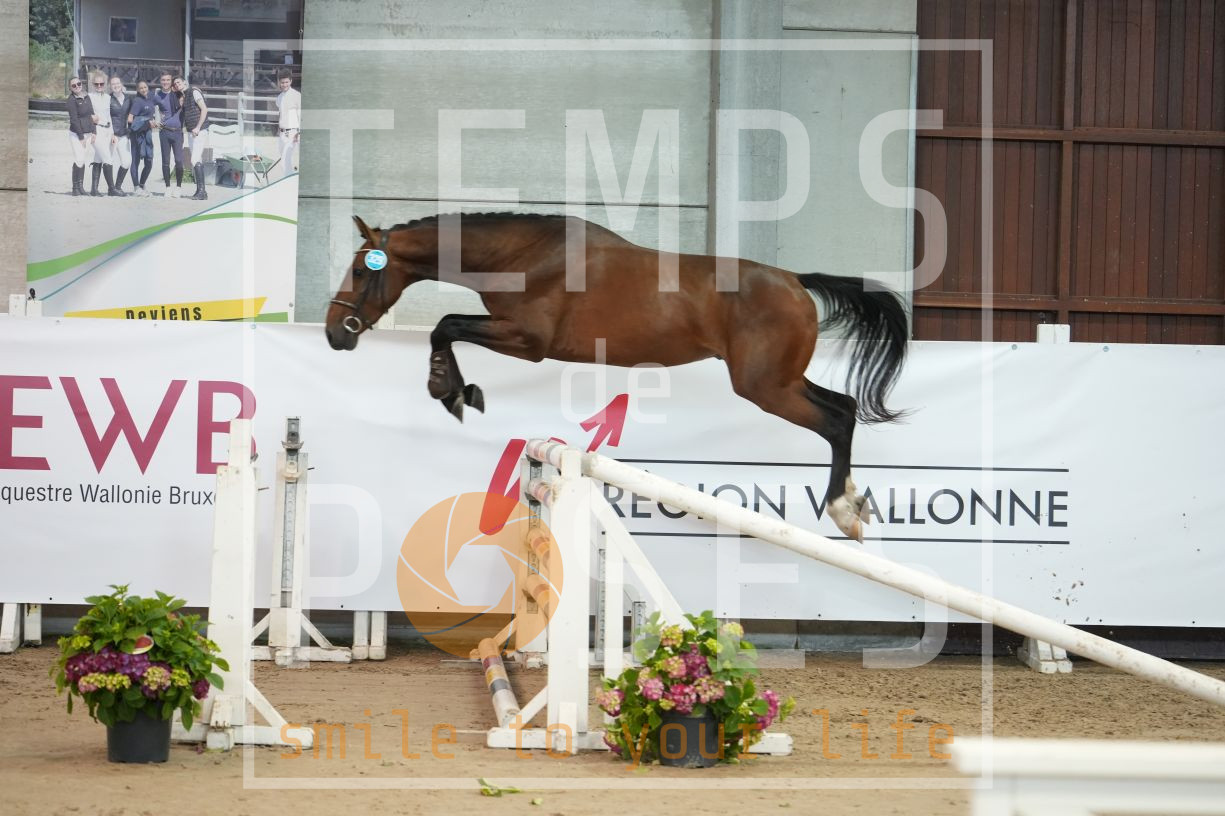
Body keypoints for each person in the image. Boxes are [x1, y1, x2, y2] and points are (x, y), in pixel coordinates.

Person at [173, 75, 210, 201]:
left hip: (199, 130)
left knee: (194, 160)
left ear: (184, 82)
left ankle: (202, 191)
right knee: (197, 159)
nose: (177, 85)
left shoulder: (194, 92)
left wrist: (198, 127)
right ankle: (201, 191)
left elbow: (204, 109)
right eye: (175, 84)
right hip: (191, 131)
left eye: (178, 82)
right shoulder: (183, 96)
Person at [86, 70, 120, 196]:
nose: (99, 86)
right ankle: (112, 189)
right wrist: (91, 129)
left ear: (105, 84)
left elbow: (109, 116)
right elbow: (85, 114)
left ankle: (94, 189)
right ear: (93, 84)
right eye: (96, 84)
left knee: (98, 158)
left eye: (101, 84)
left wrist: (112, 133)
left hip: (107, 130)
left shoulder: (108, 98)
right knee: (107, 158)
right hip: (96, 130)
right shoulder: (89, 97)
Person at [152, 71, 184, 197]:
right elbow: (148, 107)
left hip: (177, 132)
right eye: (163, 80)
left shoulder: (178, 94)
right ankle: (168, 187)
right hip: (164, 132)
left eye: (168, 80)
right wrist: (152, 120)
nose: (165, 82)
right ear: (161, 81)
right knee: (165, 161)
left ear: (171, 82)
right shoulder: (157, 96)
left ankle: (178, 187)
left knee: (179, 160)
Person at [66, 76, 94, 196]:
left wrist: (94, 132)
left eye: (79, 84)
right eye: (74, 85)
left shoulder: (87, 96)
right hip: (76, 134)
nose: (77, 86)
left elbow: (92, 115)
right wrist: (81, 137)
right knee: (79, 159)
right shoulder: (71, 100)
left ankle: (81, 187)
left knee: (83, 160)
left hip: (88, 133)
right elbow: (74, 120)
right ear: (70, 88)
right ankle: (75, 188)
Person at [126, 80, 156, 196]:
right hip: (137, 134)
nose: (143, 89)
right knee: (136, 160)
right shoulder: (137, 101)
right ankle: (136, 187)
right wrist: (145, 122)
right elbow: (130, 119)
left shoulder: (150, 98)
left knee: (149, 160)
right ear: (138, 90)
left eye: (145, 87)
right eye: (141, 88)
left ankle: (142, 185)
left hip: (147, 133)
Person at [107, 76, 133, 196]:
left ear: (121, 84)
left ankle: (117, 187)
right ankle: (110, 188)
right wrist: (111, 133)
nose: (116, 85)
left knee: (127, 161)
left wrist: (130, 130)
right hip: (111, 135)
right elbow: (106, 117)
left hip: (123, 134)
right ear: (110, 86)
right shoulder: (108, 99)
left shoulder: (128, 99)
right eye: (113, 84)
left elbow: (132, 116)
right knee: (107, 161)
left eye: (118, 83)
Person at [274, 69, 300, 179]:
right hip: (282, 133)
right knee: (285, 160)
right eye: (282, 82)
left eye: (287, 82)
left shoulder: (296, 95)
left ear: (291, 81)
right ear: (279, 82)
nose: (284, 84)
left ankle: (289, 182)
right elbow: (281, 115)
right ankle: (289, 180)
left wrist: (298, 132)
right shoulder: (279, 97)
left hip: (292, 133)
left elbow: (300, 115)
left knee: (285, 160)